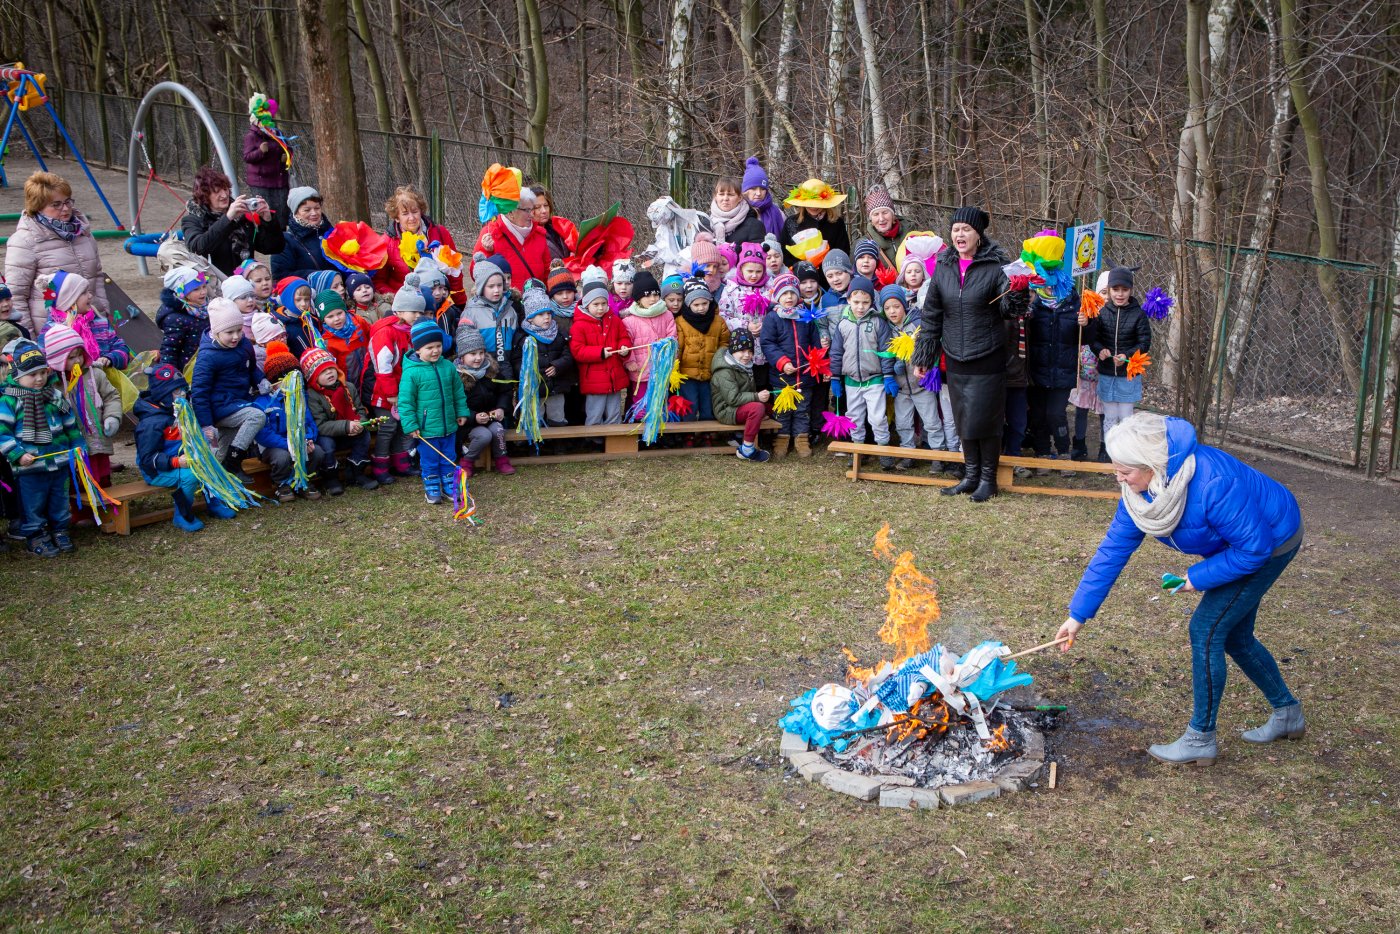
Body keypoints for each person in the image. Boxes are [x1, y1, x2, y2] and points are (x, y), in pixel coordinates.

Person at [1056, 413, 1305, 766]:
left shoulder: (1212, 483)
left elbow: (1254, 549)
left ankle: (1200, 738)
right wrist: (1077, 615)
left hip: (1271, 540)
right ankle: (1288, 713)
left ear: (1152, 466)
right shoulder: (1139, 494)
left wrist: (1198, 578)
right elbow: (1113, 550)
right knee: (1233, 635)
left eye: (1125, 470)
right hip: (1235, 546)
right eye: (1116, 468)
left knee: (1206, 629)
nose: (1119, 477)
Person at [911, 207, 1032, 500]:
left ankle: (988, 479)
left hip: (987, 352)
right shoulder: (944, 265)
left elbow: (1010, 311)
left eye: (966, 229)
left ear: (979, 234)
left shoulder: (997, 265)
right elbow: (932, 315)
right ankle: (971, 475)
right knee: (964, 417)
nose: (960, 234)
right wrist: (924, 357)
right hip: (955, 354)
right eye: (955, 229)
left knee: (986, 419)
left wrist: (1018, 290)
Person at [0, 340, 84, 556]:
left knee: (59, 498)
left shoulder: (54, 396)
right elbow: (3, 433)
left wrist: (77, 446)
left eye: (42, 373)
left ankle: (60, 530)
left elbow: (70, 425)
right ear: (17, 376)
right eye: (32, 375)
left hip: (59, 462)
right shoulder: (10, 401)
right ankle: (36, 535)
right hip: (30, 466)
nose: (39, 379)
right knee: (32, 502)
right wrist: (17, 454)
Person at [134, 363, 239, 533]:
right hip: (157, 470)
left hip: (183, 459)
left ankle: (214, 503)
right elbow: (147, 459)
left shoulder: (178, 410)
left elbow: (191, 438)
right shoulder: (151, 424)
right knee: (191, 475)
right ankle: (182, 515)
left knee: (208, 464)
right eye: (177, 392)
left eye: (183, 389)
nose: (182, 395)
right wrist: (176, 462)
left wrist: (204, 437)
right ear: (164, 395)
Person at [5, 172, 111, 336]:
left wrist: (103, 311)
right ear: (37, 206)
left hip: (91, 323)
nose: (66, 208)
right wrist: (29, 338)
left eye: (67, 201)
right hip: (52, 331)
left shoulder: (83, 233)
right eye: (56, 204)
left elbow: (96, 276)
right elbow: (16, 296)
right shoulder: (24, 241)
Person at [191, 297, 268, 484]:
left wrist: (261, 380)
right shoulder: (207, 357)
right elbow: (199, 392)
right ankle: (233, 463)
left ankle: (218, 486)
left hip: (237, 401)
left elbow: (250, 368)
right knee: (256, 416)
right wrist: (206, 424)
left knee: (221, 452)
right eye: (229, 332)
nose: (235, 336)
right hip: (220, 407)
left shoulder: (244, 344)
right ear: (216, 331)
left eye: (239, 331)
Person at [399, 319, 470, 504]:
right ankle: (431, 487)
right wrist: (411, 425)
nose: (436, 351)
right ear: (418, 350)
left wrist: (461, 411)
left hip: (448, 425)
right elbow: (405, 402)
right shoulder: (411, 373)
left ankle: (448, 486)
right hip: (426, 430)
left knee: (449, 457)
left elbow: (457, 391)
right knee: (430, 460)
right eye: (430, 347)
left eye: (438, 346)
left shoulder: (447, 366)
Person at [42, 322, 121, 490]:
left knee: (103, 477)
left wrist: (112, 416)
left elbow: (111, 396)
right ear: (57, 359)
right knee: (79, 481)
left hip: (98, 437)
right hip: (74, 443)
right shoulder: (54, 384)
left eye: (80, 354)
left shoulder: (95, 374)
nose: (78, 360)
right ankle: (82, 515)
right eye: (71, 357)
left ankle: (107, 512)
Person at [830, 275, 896, 466]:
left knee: (877, 418)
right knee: (855, 418)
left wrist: (888, 375)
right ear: (849, 299)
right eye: (856, 302)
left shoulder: (877, 322)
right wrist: (835, 377)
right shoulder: (843, 324)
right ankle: (857, 452)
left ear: (871, 302)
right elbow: (836, 352)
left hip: (874, 379)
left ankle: (884, 451)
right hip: (851, 381)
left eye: (865, 302)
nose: (860, 307)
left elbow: (886, 350)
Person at [368, 278, 428, 484]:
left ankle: (401, 462)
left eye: (421, 312)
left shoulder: (411, 332)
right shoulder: (386, 333)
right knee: (388, 428)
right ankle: (380, 466)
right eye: (414, 312)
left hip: (406, 391)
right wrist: (392, 394)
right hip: (385, 393)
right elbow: (382, 367)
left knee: (405, 426)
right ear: (400, 311)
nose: (418, 316)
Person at [881, 285, 945, 469]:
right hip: (902, 388)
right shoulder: (887, 329)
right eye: (887, 308)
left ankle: (937, 456)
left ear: (904, 305)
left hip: (921, 385)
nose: (892, 311)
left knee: (932, 422)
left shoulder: (917, 324)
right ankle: (907, 454)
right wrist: (893, 368)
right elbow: (885, 354)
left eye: (896, 306)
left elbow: (928, 347)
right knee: (903, 424)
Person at [253, 343, 325, 502]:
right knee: (282, 457)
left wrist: (307, 439)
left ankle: (305, 480)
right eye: (286, 379)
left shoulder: (300, 398)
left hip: (298, 441)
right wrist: (290, 445)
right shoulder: (263, 402)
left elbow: (309, 422)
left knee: (317, 452)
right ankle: (282, 484)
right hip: (275, 446)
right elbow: (264, 434)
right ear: (273, 381)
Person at [1026, 269, 1082, 469]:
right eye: (1046, 284)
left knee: (1056, 414)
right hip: (1037, 370)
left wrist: (1087, 323)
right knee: (1038, 414)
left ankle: (1064, 451)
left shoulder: (1074, 305)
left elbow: (1086, 337)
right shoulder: (1034, 306)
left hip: (1062, 370)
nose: (1050, 288)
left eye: (1054, 284)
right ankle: (1042, 452)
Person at [300, 347, 378, 493]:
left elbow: (360, 409)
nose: (329, 372)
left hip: (350, 429)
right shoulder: (313, 396)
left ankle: (357, 473)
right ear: (313, 378)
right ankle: (331, 478)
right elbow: (320, 425)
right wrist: (346, 425)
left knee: (364, 436)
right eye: (323, 371)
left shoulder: (348, 387)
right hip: (329, 434)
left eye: (331, 368)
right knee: (326, 445)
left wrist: (360, 422)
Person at [181, 167, 284, 276]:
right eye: (217, 192)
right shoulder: (192, 220)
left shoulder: (240, 216)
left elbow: (272, 248)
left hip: (245, 279)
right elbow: (198, 248)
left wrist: (268, 220)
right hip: (215, 283)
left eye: (225, 189)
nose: (224, 195)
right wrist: (228, 218)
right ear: (205, 195)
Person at [759, 272, 818, 458]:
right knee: (783, 409)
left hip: (804, 376)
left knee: (802, 409)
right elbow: (768, 343)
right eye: (784, 294)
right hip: (782, 376)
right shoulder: (772, 318)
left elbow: (814, 342)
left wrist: (815, 360)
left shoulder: (805, 316)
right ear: (777, 296)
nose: (789, 297)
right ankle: (782, 438)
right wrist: (782, 363)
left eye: (792, 293)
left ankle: (801, 439)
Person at [1090, 265, 1153, 437]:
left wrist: (1127, 355)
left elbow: (1144, 342)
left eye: (1124, 290)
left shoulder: (1138, 315)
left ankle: (1126, 455)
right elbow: (1093, 338)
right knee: (1110, 415)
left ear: (1130, 290)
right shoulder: (1101, 313)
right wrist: (1100, 350)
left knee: (1126, 416)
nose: (1120, 294)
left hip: (1128, 375)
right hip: (1107, 373)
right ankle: (1111, 453)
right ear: (1109, 290)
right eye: (1115, 289)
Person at [379, 185, 465, 301]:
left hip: (439, 300)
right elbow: (379, 281)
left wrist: (458, 302)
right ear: (397, 217)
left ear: (421, 211)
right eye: (405, 214)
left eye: (415, 211)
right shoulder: (386, 242)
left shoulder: (440, 233)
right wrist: (400, 300)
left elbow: (455, 272)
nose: (412, 218)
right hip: (406, 305)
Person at [510, 284, 575, 430]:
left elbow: (568, 354)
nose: (546, 318)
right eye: (540, 315)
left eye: (548, 314)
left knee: (557, 415)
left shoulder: (558, 333)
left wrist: (558, 366)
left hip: (556, 385)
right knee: (536, 415)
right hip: (534, 386)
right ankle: (536, 445)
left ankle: (559, 445)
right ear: (530, 318)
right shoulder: (523, 338)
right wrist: (530, 371)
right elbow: (517, 360)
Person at [42, 270, 132, 372]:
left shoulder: (100, 323)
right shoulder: (52, 331)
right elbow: (44, 363)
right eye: (84, 293)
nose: (90, 295)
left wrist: (110, 358)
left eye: (88, 291)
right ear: (70, 301)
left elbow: (122, 348)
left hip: (104, 382)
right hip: (70, 385)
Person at [454, 327, 514, 476]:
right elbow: (454, 404)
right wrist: (473, 416)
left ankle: (502, 459)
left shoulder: (492, 370)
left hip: (490, 417)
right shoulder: (456, 376)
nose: (478, 358)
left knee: (498, 430)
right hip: (468, 422)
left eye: (481, 353)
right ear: (462, 357)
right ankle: (467, 461)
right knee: (484, 435)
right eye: (473, 354)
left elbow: (505, 391)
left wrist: (500, 408)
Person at [570, 281, 630, 426]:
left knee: (614, 411)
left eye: (603, 303)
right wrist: (599, 353)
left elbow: (624, 337)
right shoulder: (579, 325)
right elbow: (577, 350)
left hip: (614, 376)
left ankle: (613, 439)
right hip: (594, 378)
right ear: (586, 304)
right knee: (595, 412)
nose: (601, 308)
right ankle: (593, 439)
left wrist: (624, 348)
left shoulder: (614, 320)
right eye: (595, 304)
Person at [711, 329, 772, 462]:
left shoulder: (743, 365)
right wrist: (756, 397)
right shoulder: (725, 370)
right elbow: (732, 398)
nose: (747, 355)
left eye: (750, 351)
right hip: (726, 410)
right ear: (733, 350)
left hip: (737, 406)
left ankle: (772, 438)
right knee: (757, 408)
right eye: (742, 351)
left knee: (769, 407)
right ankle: (747, 449)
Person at [674, 279, 729, 421]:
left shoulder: (718, 321)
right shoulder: (680, 321)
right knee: (689, 405)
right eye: (696, 304)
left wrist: (720, 362)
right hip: (687, 374)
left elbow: (724, 343)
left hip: (710, 372)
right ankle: (688, 435)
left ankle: (707, 434)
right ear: (688, 304)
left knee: (708, 406)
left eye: (704, 303)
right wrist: (675, 368)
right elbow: (679, 347)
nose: (701, 308)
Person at [473, 186, 551, 286]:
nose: (532, 214)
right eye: (527, 210)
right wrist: (486, 252)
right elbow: (475, 274)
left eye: (532, 209)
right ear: (510, 213)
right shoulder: (491, 233)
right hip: (504, 300)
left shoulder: (539, 235)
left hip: (535, 299)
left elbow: (547, 273)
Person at [717, 243, 770, 384]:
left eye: (758, 271)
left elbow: (776, 311)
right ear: (741, 268)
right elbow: (724, 315)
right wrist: (745, 325)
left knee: (763, 382)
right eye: (750, 271)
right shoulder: (731, 289)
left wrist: (765, 325)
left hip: (765, 345)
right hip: (741, 347)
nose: (754, 275)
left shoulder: (769, 288)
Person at [456, 261, 518, 382]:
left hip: (506, 366)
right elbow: (463, 345)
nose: (496, 290)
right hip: (482, 369)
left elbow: (516, 338)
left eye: (499, 285)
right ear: (481, 287)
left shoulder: (510, 310)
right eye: (491, 286)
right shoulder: (471, 313)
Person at [621, 271, 674, 409]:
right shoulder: (630, 321)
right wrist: (629, 360)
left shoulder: (666, 315)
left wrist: (669, 351)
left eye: (656, 294)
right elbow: (626, 342)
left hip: (661, 369)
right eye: (648, 295)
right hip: (640, 371)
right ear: (638, 298)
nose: (653, 299)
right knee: (641, 403)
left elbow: (673, 337)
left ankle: (659, 429)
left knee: (659, 403)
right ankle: (641, 427)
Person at [1071, 271, 1109, 462]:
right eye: (1103, 292)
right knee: (1081, 408)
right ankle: (1079, 443)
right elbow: (1082, 334)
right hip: (1087, 368)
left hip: (1105, 370)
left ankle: (1105, 446)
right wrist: (1084, 324)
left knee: (1103, 411)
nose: (1107, 297)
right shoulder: (1089, 310)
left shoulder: (1116, 315)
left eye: (1110, 292)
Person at [243, 95, 293, 228]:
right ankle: (267, 241)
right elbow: (247, 157)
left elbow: (288, 148)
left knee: (282, 212)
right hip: (261, 182)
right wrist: (260, 152)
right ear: (257, 121)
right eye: (263, 120)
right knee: (266, 214)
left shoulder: (276, 133)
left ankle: (283, 240)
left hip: (279, 181)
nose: (267, 123)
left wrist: (286, 157)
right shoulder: (251, 137)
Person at [780, 179, 851, 273]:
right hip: (801, 277)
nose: (813, 207)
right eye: (810, 203)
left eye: (817, 203)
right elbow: (784, 253)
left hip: (830, 277)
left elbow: (843, 251)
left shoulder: (837, 223)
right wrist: (801, 268)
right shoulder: (791, 223)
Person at [271, 187, 336, 281]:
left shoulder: (331, 232)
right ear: (296, 213)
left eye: (317, 208)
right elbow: (281, 275)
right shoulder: (284, 241)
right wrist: (319, 277)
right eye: (307, 210)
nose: (314, 213)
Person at [157, 267, 210, 374]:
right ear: (181, 292)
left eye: (204, 286)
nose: (203, 292)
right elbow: (169, 351)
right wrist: (170, 376)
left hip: (207, 365)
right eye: (196, 289)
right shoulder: (175, 319)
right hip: (188, 371)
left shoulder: (206, 309)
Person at [708, 175, 766, 247]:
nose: (725, 198)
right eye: (721, 194)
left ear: (740, 198)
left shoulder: (754, 226)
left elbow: (756, 256)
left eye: (730, 195)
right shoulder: (705, 224)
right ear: (715, 197)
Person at [740, 157, 788, 240]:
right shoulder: (737, 211)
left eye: (762, 189)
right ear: (745, 190)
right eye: (753, 188)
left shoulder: (777, 213)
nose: (758, 193)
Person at [530, 185, 579, 263]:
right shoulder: (528, 237)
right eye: (537, 207)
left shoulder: (559, 227)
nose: (544, 211)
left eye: (546, 206)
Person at [864, 184, 910, 266]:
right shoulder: (864, 245)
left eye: (885, 212)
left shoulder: (911, 236)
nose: (881, 219)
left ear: (893, 215)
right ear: (871, 220)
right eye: (876, 214)